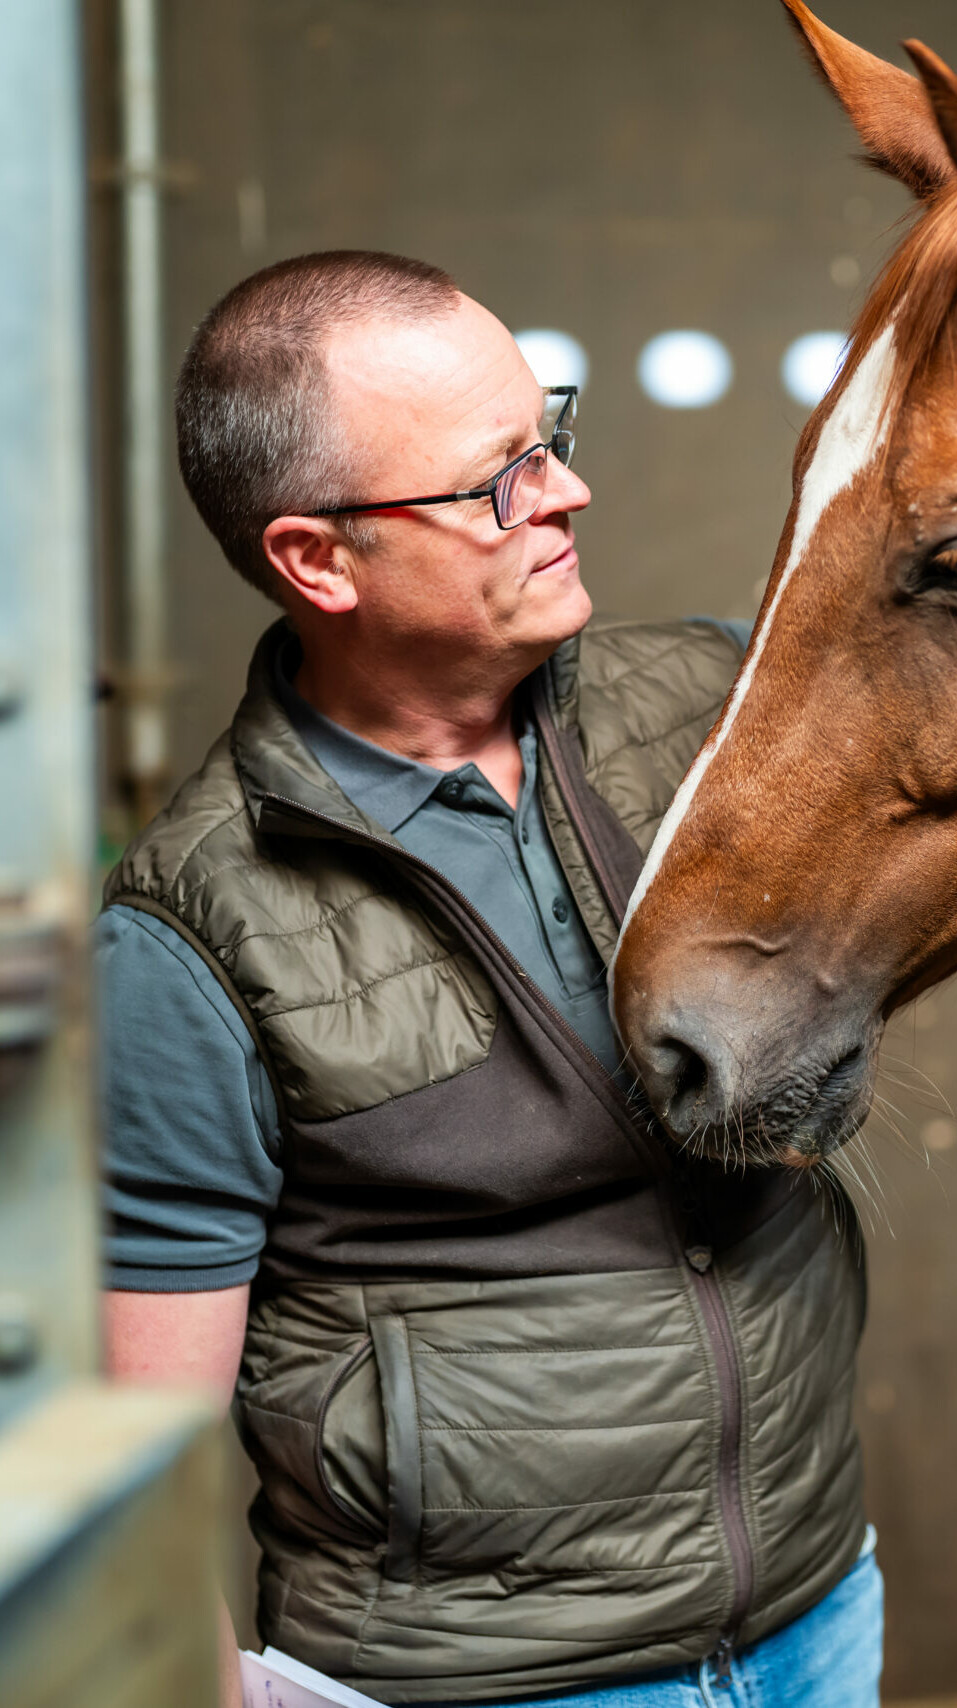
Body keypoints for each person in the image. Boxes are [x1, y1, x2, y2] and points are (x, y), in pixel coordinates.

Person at [97, 251, 877, 1708]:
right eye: (493, 483)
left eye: (550, 438)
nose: (566, 496)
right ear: (318, 560)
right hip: (492, 1683)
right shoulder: (192, 935)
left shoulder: (707, 713)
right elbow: (148, 1458)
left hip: (816, 1617)